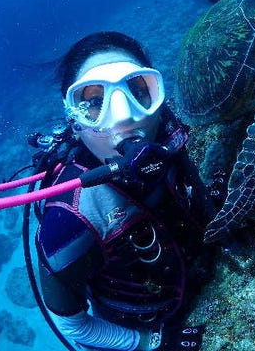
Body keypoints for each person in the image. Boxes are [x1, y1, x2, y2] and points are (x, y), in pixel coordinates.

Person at [35, 31, 217, 351]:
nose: (125, 117)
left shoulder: (172, 133)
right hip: (138, 329)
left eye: (137, 91)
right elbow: (71, 322)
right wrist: (149, 342)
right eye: (93, 103)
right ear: (74, 122)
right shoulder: (70, 218)